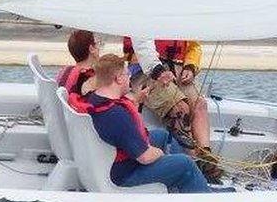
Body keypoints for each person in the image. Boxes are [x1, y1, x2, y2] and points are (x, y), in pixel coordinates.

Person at [82, 54, 227, 193]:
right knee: (185, 163)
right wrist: (160, 153)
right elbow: (145, 157)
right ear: (119, 79)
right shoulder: (116, 114)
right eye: (127, 74)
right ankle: (201, 194)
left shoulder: (96, 99)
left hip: (115, 162)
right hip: (124, 174)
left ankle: (192, 183)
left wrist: (137, 101)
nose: (130, 78)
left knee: (162, 136)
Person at [123, 37, 223, 183]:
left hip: (177, 68)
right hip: (146, 70)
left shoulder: (182, 18)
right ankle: (194, 164)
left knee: (200, 104)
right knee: (180, 109)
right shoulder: (144, 17)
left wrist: (190, 66)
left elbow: (193, 46)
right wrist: (157, 70)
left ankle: (206, 159)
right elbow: (142, 44)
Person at [56, 29, 101, 96]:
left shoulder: (65, 71)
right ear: (91, 49)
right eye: (98, 44)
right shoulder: (90, 78)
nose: (99, 48)